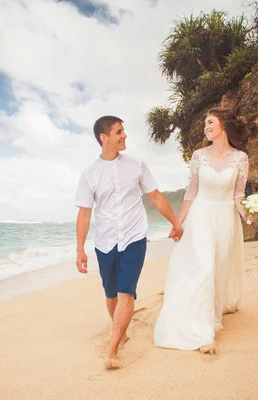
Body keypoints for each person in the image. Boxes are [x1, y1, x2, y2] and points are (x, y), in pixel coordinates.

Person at [74, 115, 183, 370]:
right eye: (119, 131)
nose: (124, 136)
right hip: (105, 241)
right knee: (111, 293)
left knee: (126, 291)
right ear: (104, 137)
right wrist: (80, 249)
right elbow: (85, 213)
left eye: (124, 131)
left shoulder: (136, 165)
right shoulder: (89, 174)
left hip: (134, 237)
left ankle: (112, 347)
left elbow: (155, 197)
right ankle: (121, 331)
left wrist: (175, 223)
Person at [154, 107, 254, 354]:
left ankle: (211, 316)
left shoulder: (241, 158)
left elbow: (238, 195)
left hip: (225, 218)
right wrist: (178, 223)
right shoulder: (199, 155)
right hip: (200, 216)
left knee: (218, 268)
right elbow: (191, 193)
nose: (206, 127)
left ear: (223, 124)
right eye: (205, 124)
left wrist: (248, 213)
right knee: (204, 268)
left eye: (210, 122)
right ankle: (202, 332)